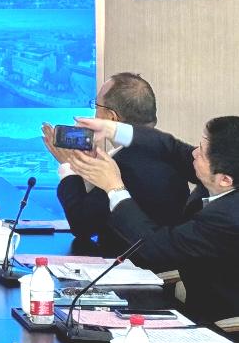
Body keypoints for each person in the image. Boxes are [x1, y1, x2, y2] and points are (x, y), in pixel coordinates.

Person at [67, 115, 239, 324]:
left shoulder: (229, 217)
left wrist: (114, 187)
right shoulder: (226, 173)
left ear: (225, 180)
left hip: (221, 326)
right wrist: (111, 129)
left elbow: (155, 246)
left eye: (201, 153)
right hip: (194, 310)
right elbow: (172, 149)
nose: (194, 153)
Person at [44, 73, 189, 255]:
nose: (94, 113)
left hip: (126, 267)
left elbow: (82, 226)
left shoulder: (126, 165)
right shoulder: (169, 152)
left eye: (96, 106)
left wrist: (69, 166)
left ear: (111, 118)